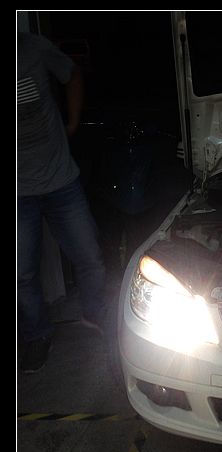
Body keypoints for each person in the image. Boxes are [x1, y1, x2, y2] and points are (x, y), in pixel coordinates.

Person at [18, 32, 106, 373]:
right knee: (21, 274)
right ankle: (37, 336)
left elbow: (72, 75)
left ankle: (95, 314)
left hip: (61, 180)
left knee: (89, 256)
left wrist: (73, 120)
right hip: (18, 193)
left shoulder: (33, 47)